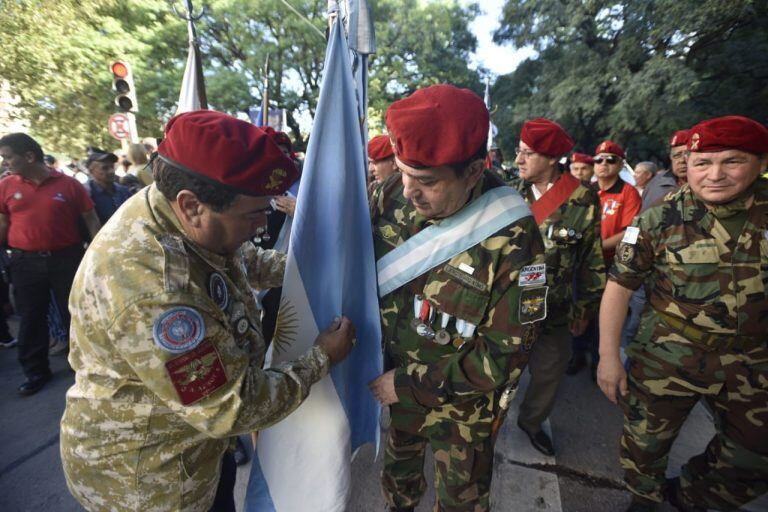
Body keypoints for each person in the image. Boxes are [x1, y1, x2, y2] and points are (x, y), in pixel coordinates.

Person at [60, 111, 356, 512]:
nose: (260, 224)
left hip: (195, 454)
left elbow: (245, 261)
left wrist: (327, 267)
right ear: (192, 205)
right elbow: (235, 407)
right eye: (253, 214)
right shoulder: (156, 288)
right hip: (151, 483)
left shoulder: (176, 214)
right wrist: (322, 356)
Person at [368, 84, 547, 512]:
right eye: (403, 171)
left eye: (426, 181)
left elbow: (504, 356)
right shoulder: (392, 194)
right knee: (398, 487)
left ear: (472, 171)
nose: (409, 192)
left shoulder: (515, 238)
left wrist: (409, 384)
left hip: (462, 409)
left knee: (460, 503)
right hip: (396, 391)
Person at [597, 115, 768, 512]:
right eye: (703, 163)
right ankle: (644, 500)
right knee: (644, 445)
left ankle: (691, 494)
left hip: (753, 361)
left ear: (760, 163)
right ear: (686, 164)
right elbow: (619, 286)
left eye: (732, 161)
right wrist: (608, 357)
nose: (715, 175)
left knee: (753, 457)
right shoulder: (660, 217)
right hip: (667, 356)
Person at [510, 119, 605, 455]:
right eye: (518, 152)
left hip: (556, 306)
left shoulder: (582, 200)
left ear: (552, 159)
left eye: (528, 154)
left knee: (549, 372)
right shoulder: (509, 193)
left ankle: (531, 422)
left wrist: (586, 308)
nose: (519, 160)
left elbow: (591, 259)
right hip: (506, 307)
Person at [0, 133, 101, 395]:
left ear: (29, 156)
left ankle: (84, 365)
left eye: (8, 157)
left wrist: (98, 253)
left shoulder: (69, 185)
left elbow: (90, 220)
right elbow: (2, 223)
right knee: (31, 318)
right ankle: (35, 371)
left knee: (76, 314)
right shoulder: (6, 186)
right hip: (24, 263)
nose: (5, 162)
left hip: (66, 260)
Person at [593, 140, 642, 264]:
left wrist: (599, 247)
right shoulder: (586, 191)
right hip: (584, 259)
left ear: (621, 165)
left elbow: (631, 232)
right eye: (599, 159)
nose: (603, 163)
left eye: (611, 160)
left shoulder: (629, 192)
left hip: (614, 260)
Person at [84, 151, 133, 225]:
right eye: (105, 168)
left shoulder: (123, 191)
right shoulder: (88, 196)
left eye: (112, 166)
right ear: (91, 171)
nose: (111, 171)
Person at [641, 130, 687, 210]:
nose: (682, 160)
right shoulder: (656, 184)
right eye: (677, 155)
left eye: (687, 155)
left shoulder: (709, 184)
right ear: (671, 158)